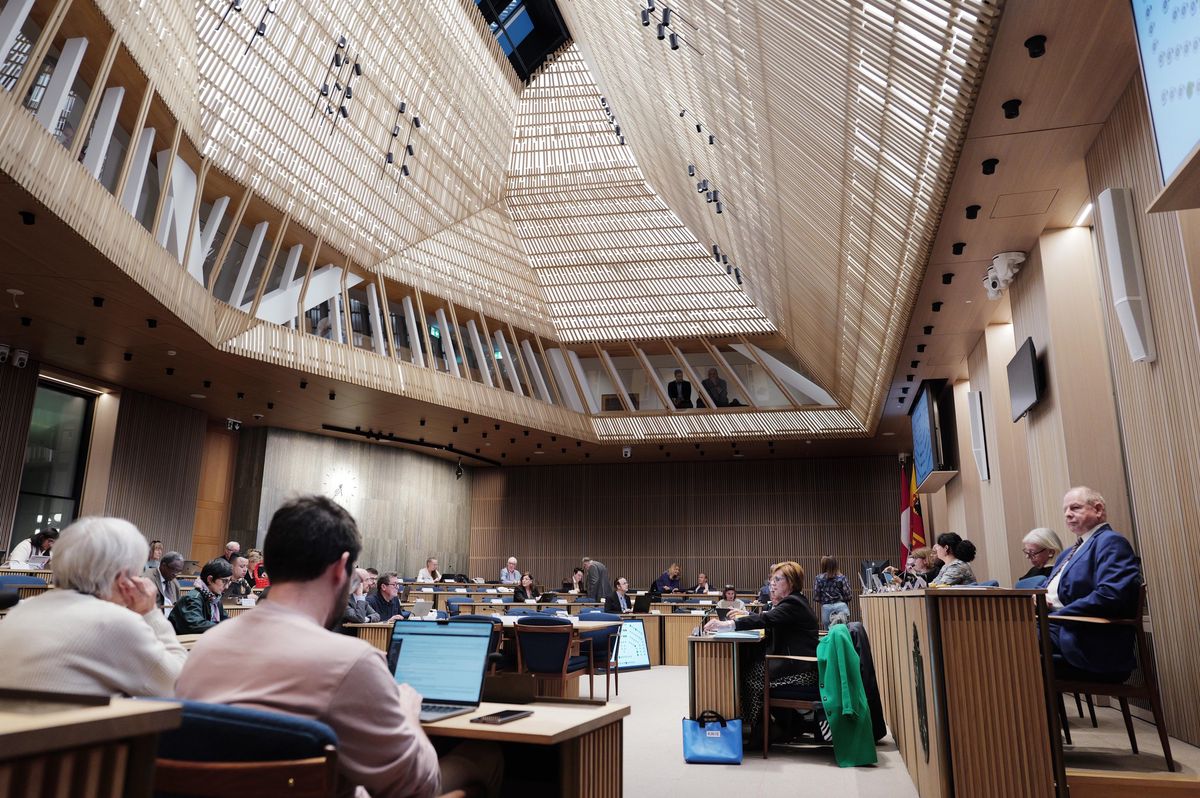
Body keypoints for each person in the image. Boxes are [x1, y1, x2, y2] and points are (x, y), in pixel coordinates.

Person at [176, 495, 502, 797]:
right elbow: (420, 786)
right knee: (486, 755)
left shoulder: (205, 649)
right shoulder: (352, 662)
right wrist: (407, 716)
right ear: (339, 567)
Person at [0, 517, 186, 696]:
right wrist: (150, 613)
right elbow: (180, 685)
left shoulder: (20, 611)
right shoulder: (115, 622)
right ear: (124, 578)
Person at [704, 561, 819, 731]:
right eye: (772, 580)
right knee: (751, 666)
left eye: (778, 580)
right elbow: (771, 619)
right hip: (796, 665)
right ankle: (773, 725)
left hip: (800, 671)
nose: (772, 584)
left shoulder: (793, 603)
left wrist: (727, 624)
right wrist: (747, 614)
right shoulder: (795, 602)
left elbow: (766, 620)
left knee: (749, 677)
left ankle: (755, 729)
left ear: (791, 583)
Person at [1047, 487, 1142, 681]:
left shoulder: (1111, 542)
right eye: (1065, 510)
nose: (1067, 514)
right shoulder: (1067, 553)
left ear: (1098, 510)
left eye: (1075, 508)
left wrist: (1056, 616)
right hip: (1055, 626)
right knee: (1000, 635)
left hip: (1084, 636)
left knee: (1010, 641)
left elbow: (1111, 595)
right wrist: (1037, 598)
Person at [169, 558, 232, 634]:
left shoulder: (215, 599)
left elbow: (225, 620)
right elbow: (196, 625)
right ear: (210, 579)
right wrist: (225, 627)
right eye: (224, 581)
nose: (227, 587)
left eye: (229, 582)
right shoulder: (193, 598)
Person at [813, 555, 853, 628]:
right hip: (841, 606)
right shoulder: (841, 577)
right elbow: (848, 595)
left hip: (826, 608)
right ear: (835, 565)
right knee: (843, 632)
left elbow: (816, 597)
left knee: (829, 634)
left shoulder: (819, 578)